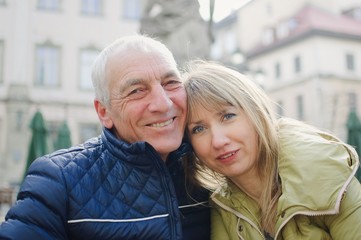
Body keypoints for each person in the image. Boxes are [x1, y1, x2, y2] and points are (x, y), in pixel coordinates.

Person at [0, 35, 210, 240]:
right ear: (104, 112)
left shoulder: (211, 165)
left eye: (171, 82)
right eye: (137, 90)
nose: (163, 103)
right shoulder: (58, 180)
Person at [183, 60, 361, 240]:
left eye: (228, 116)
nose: (218, 141)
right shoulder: (221, 205)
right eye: (199, 129)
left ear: (257, 114)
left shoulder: (322, 172)